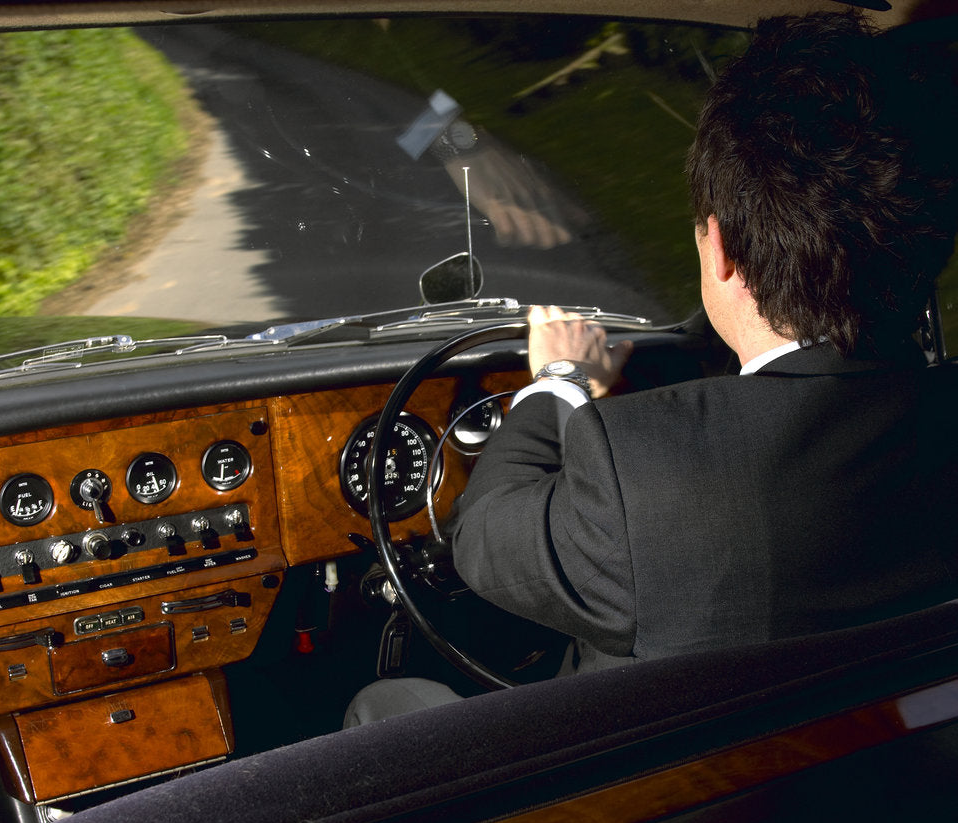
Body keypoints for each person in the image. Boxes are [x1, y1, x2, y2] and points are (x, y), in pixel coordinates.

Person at [344, 11, 958, 724]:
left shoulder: (636, 476)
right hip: (897, 763)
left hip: (655, 788)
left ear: (721, 252)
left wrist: (561, 379)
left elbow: (481, 537)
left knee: (381, 702)